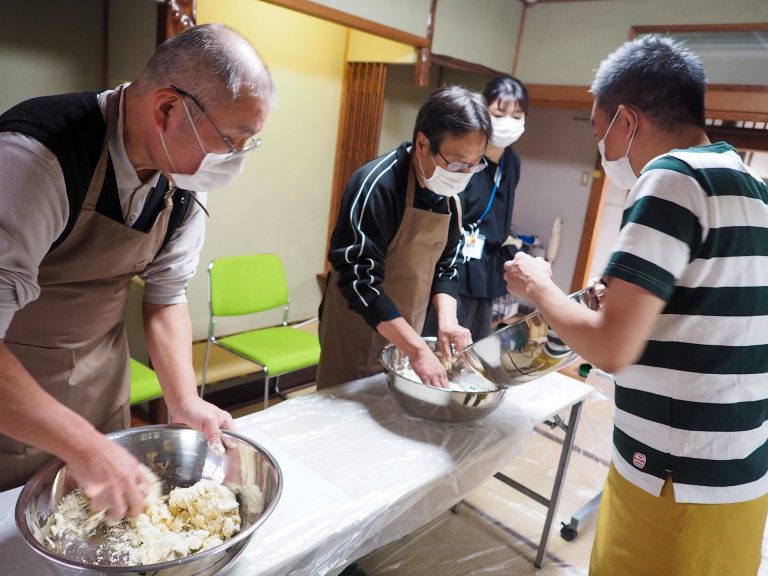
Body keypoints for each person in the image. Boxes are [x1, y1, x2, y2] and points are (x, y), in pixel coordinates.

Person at [504, 35, 768, 576]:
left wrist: (538, 287)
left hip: (673, 479)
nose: (603, 153)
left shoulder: (672, 177)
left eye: (600, 134)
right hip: (739, 476)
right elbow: (710, 311)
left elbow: (610, 347)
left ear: (626, 120)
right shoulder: (752, 187)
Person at [0, 24, 274, 521]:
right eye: (231, 140)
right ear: (168, 109)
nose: (233, 159)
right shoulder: (37, 159)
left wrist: (184, 400)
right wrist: (82, 444)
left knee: (105, 522)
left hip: (102, 382)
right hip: (15, 398)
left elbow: (167, 296)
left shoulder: (184, 178)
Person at [317, 86, 490, 389]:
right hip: (357, 330)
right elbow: (360, 282)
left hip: (408, 332)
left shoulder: (450, 198)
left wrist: (448, 321)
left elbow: (446, 267)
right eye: (457, 163)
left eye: (475, 165)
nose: (465, 174)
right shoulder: (377, 186)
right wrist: (417, 349)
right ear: (422, 143)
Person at [424, 75, 527, 342]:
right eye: (499, 112)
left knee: (475, 344)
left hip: (487, 264)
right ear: (483, 111)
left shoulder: (512, 162)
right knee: (443, 339)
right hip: (454, 260)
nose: (508, 122)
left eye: (517, 115)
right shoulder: (467, 158)